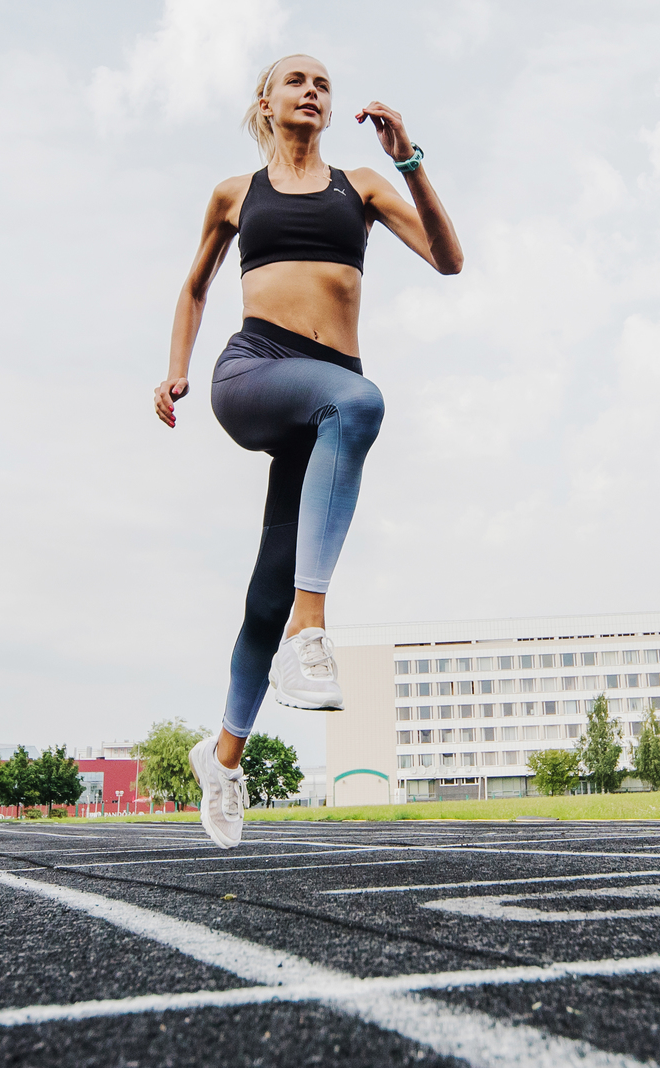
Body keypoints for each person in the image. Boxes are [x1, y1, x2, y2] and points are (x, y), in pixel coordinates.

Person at [154, 54, 462, 848]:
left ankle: (222, 759)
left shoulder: (358, 185)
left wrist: (410, 161)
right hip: (256, 371)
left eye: (323, 82)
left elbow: (448, 257)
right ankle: (312, 632)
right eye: (297, 79)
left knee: (265, 591)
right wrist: (176, 371)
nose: (313, 90)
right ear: (267, 100)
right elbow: (193, 288)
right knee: (362, 401)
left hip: (325, 407)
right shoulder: (235, 194)